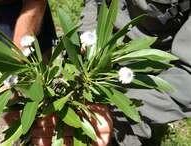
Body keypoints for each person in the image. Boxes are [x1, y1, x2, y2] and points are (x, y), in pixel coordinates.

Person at [82, 0, 191, 145]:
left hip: (145, 61)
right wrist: (87, 33)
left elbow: (187, 79)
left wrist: (119, 109)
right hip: (100, 49)